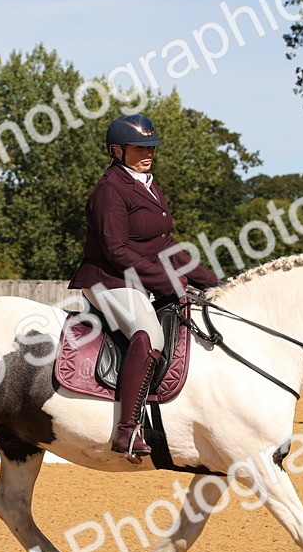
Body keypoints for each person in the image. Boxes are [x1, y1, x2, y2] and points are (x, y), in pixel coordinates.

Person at [69, 113, 222, 462]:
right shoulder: (110, 190)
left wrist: (211, 281)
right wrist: (168, 282)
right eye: (140, 147)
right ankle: (127, 431)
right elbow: (115, 249)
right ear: (117, 151)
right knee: (149, 332)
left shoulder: (149, 186)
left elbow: (165, 246)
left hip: (135, 278)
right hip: (107, 279)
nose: (148, 152)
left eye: (151, 146)